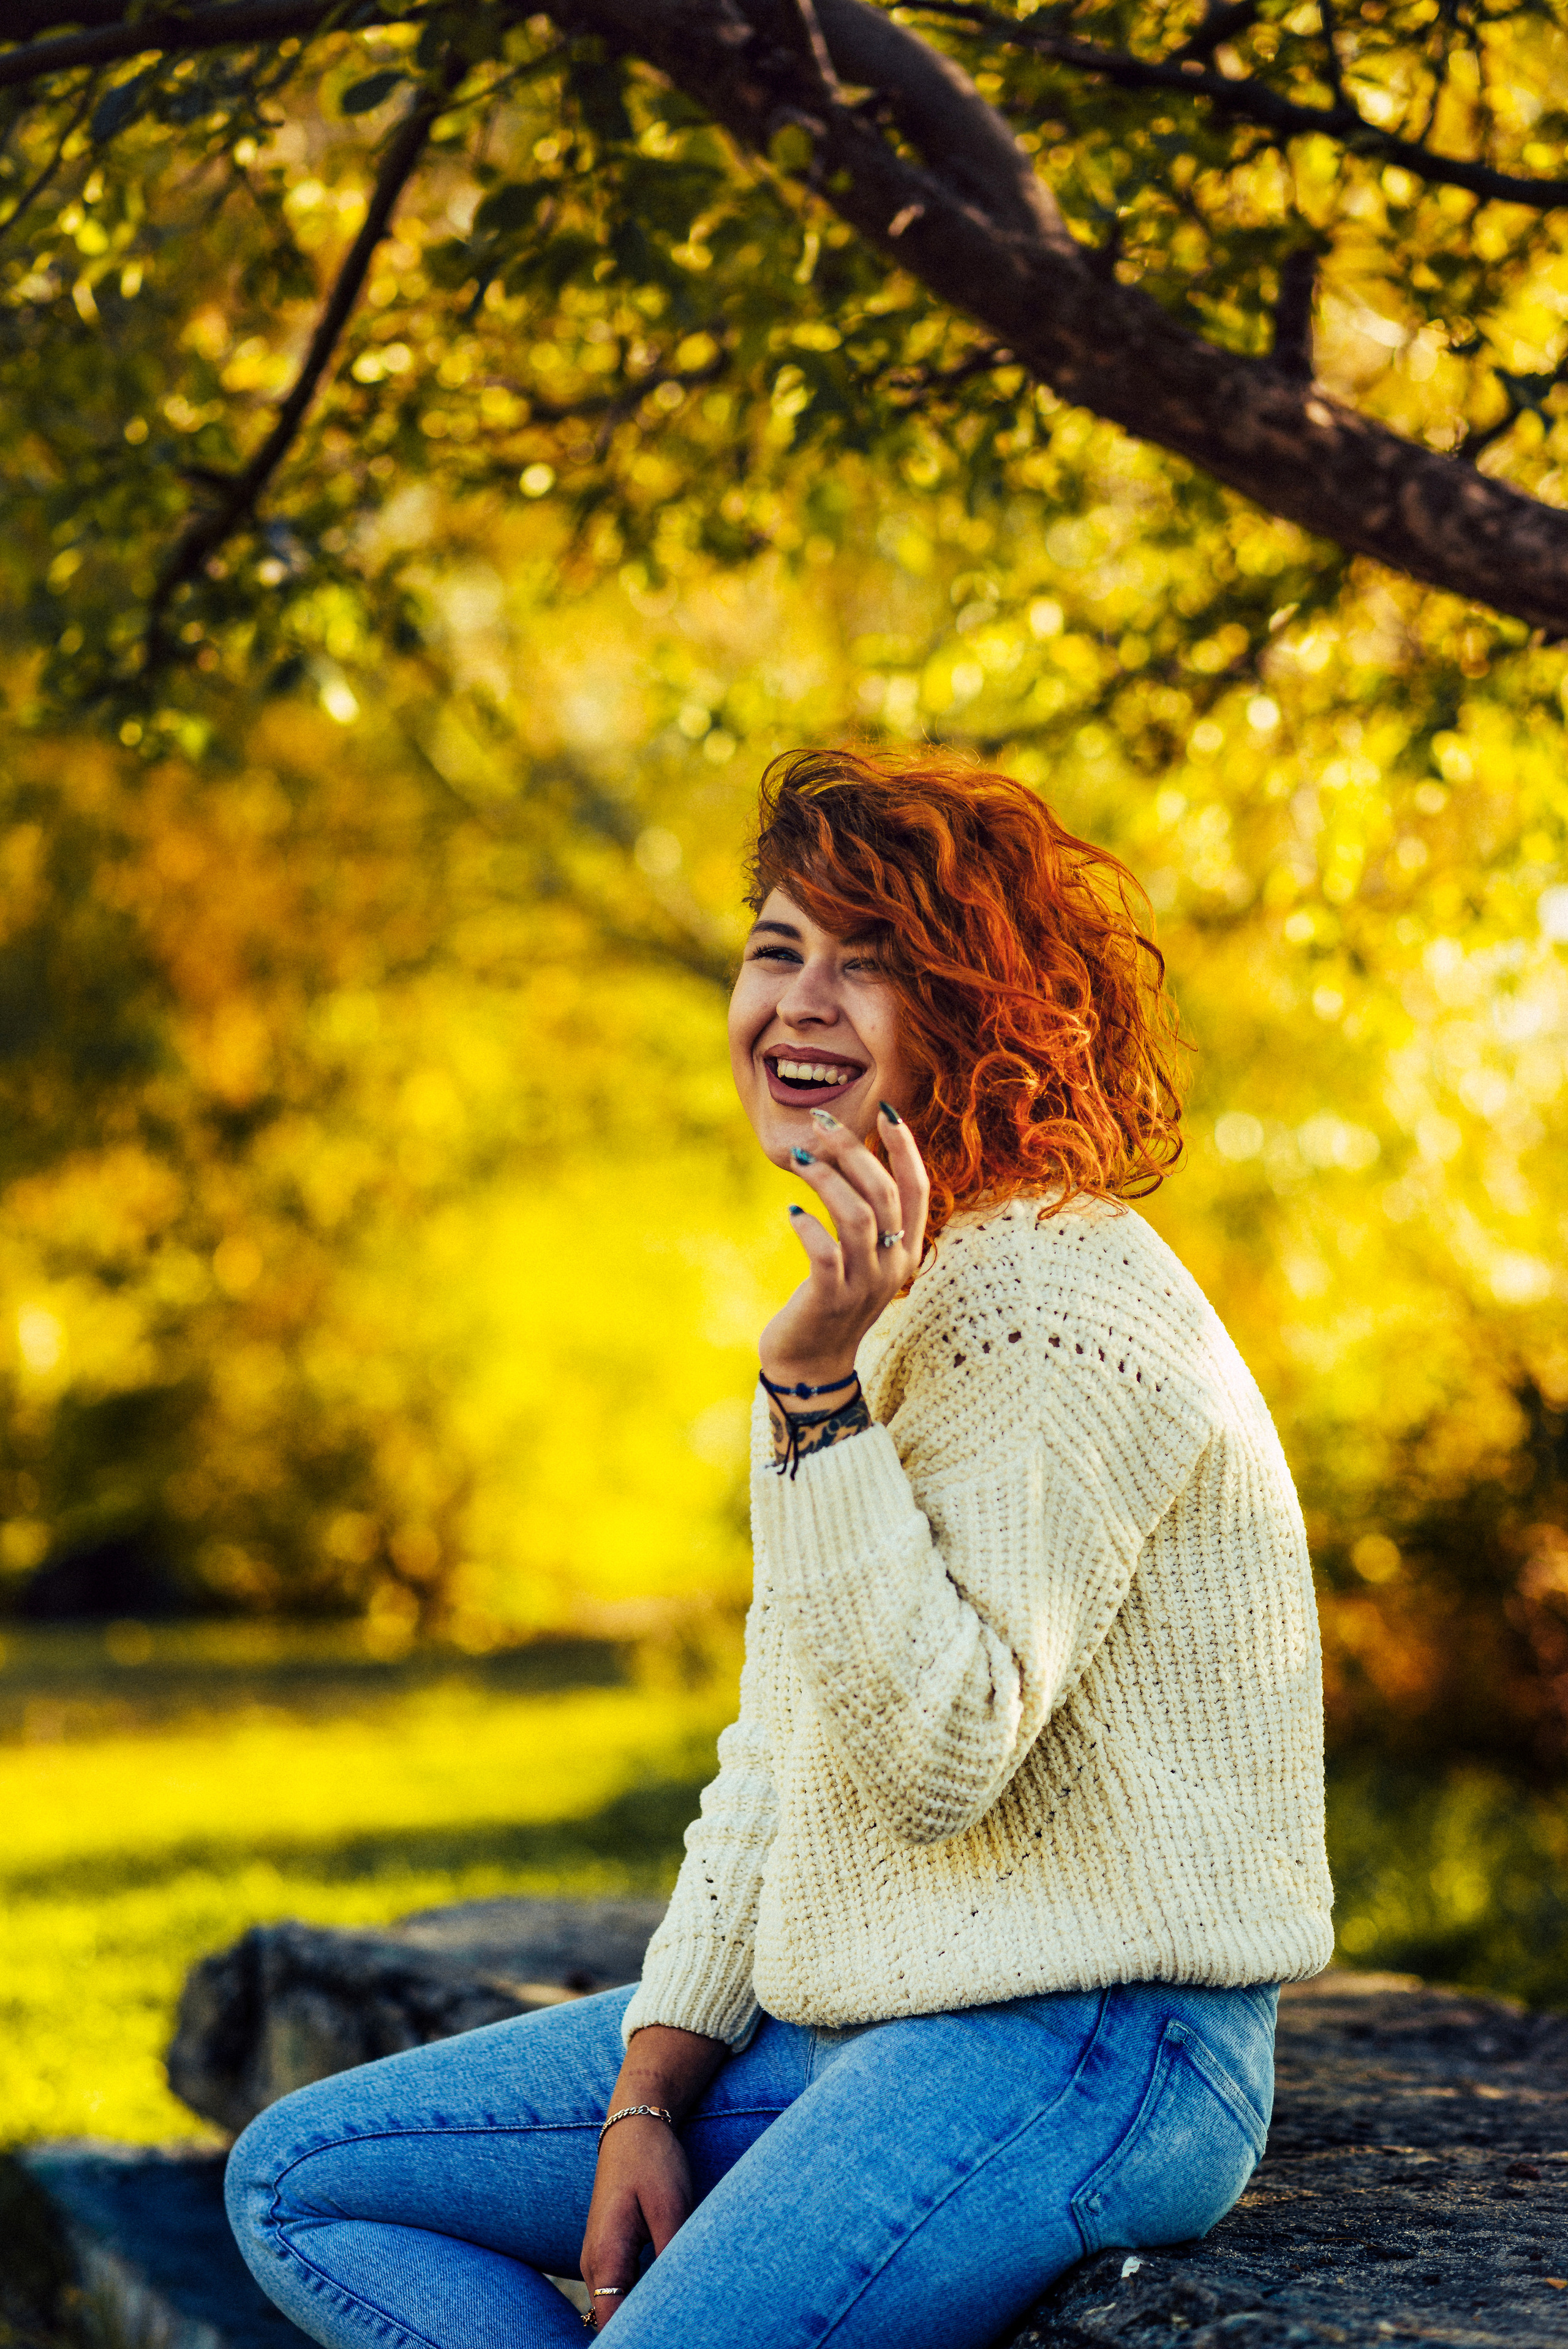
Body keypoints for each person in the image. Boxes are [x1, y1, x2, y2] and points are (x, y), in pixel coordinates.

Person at [226, 749, 1333, 2349]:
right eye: (778, 948)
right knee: (303, 2180)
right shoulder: (874, 1297)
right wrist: (649, 2090)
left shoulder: (1040, 1291)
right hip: (867, 2004)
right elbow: (783, 1752)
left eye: (869, 962)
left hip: (1088, 2039)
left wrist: (815, 1396)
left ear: (976, 1011)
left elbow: (940, 1755)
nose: (798, 1004)